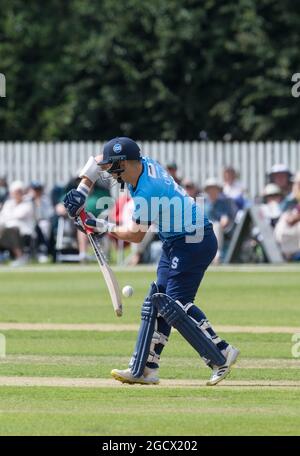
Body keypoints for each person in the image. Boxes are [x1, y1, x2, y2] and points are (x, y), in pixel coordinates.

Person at [63, 137, 240, 386]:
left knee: (175, 304)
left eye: (114, 168)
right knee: (157, 300)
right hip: (175, 241)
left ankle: (220, 352)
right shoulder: (139, 163)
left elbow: (136, 235)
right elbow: (96, 162)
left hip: (193, 240)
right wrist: (81, 191)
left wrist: (100, 225)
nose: (111, 174)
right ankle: (146, 368)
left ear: (124, 163)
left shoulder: (149, 188)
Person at [0, 180, 35, 266]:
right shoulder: (8, 203)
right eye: (16, 192)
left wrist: (8, 216)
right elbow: (3, 218)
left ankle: (20, 257)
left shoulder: (28, 203)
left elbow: (18, 215)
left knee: (12, 230)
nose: (18, 194)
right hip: (5, 232)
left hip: (24, 232)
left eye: (20, 191)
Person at [204, 178, 238, 263]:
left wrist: (224, 219)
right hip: (203, 229)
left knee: (216, 226)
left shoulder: (223, 203)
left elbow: (224, 219)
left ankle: (216, 254)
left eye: (214, 189)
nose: (212, 191)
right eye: (210, 189)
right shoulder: (202, 203)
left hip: (218, 229)